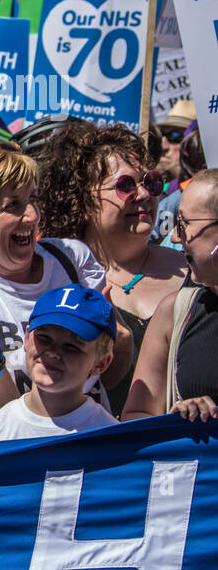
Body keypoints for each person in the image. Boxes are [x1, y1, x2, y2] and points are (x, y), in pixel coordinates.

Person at [0, 142, 132, 442]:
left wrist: (104, 337)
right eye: (13, 205)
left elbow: (115, 358)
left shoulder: (72, 259)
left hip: (85, 443)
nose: (32, 215)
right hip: (10, 457)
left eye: (33, 199)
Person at [35, 121, 186, 415]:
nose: (144, 194)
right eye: (126, 185)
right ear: (81, 200)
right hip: (104, 452)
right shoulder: (57, 280)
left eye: (151, 181)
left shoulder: (191, 271)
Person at [123, 169, 218, 423]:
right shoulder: (176, 311)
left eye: (184, 224)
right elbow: (136, 418)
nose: (175, 237)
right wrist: (176, 417)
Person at [0, 285, 117, 443]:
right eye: (44, 338)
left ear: (101, 363)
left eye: (72, 346)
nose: (53, 352)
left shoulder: (111, 438)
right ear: (27, 339)